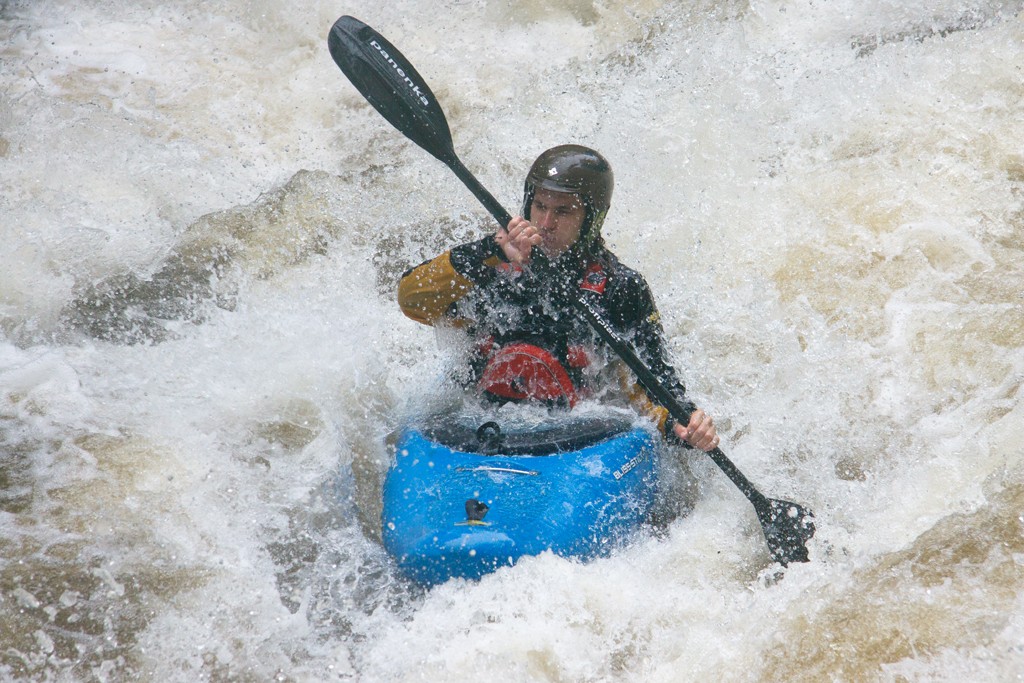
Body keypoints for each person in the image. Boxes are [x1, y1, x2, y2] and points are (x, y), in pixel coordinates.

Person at [397, 144, 719, 452]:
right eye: (540, 207)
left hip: (575, 442)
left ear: (591, 219)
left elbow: (655, 379)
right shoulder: (492, 268)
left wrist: (683, 422)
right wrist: (488, 251)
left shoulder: (620, 289)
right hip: (477, 431)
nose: (546, 223)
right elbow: (411, 300)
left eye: (563, 212)